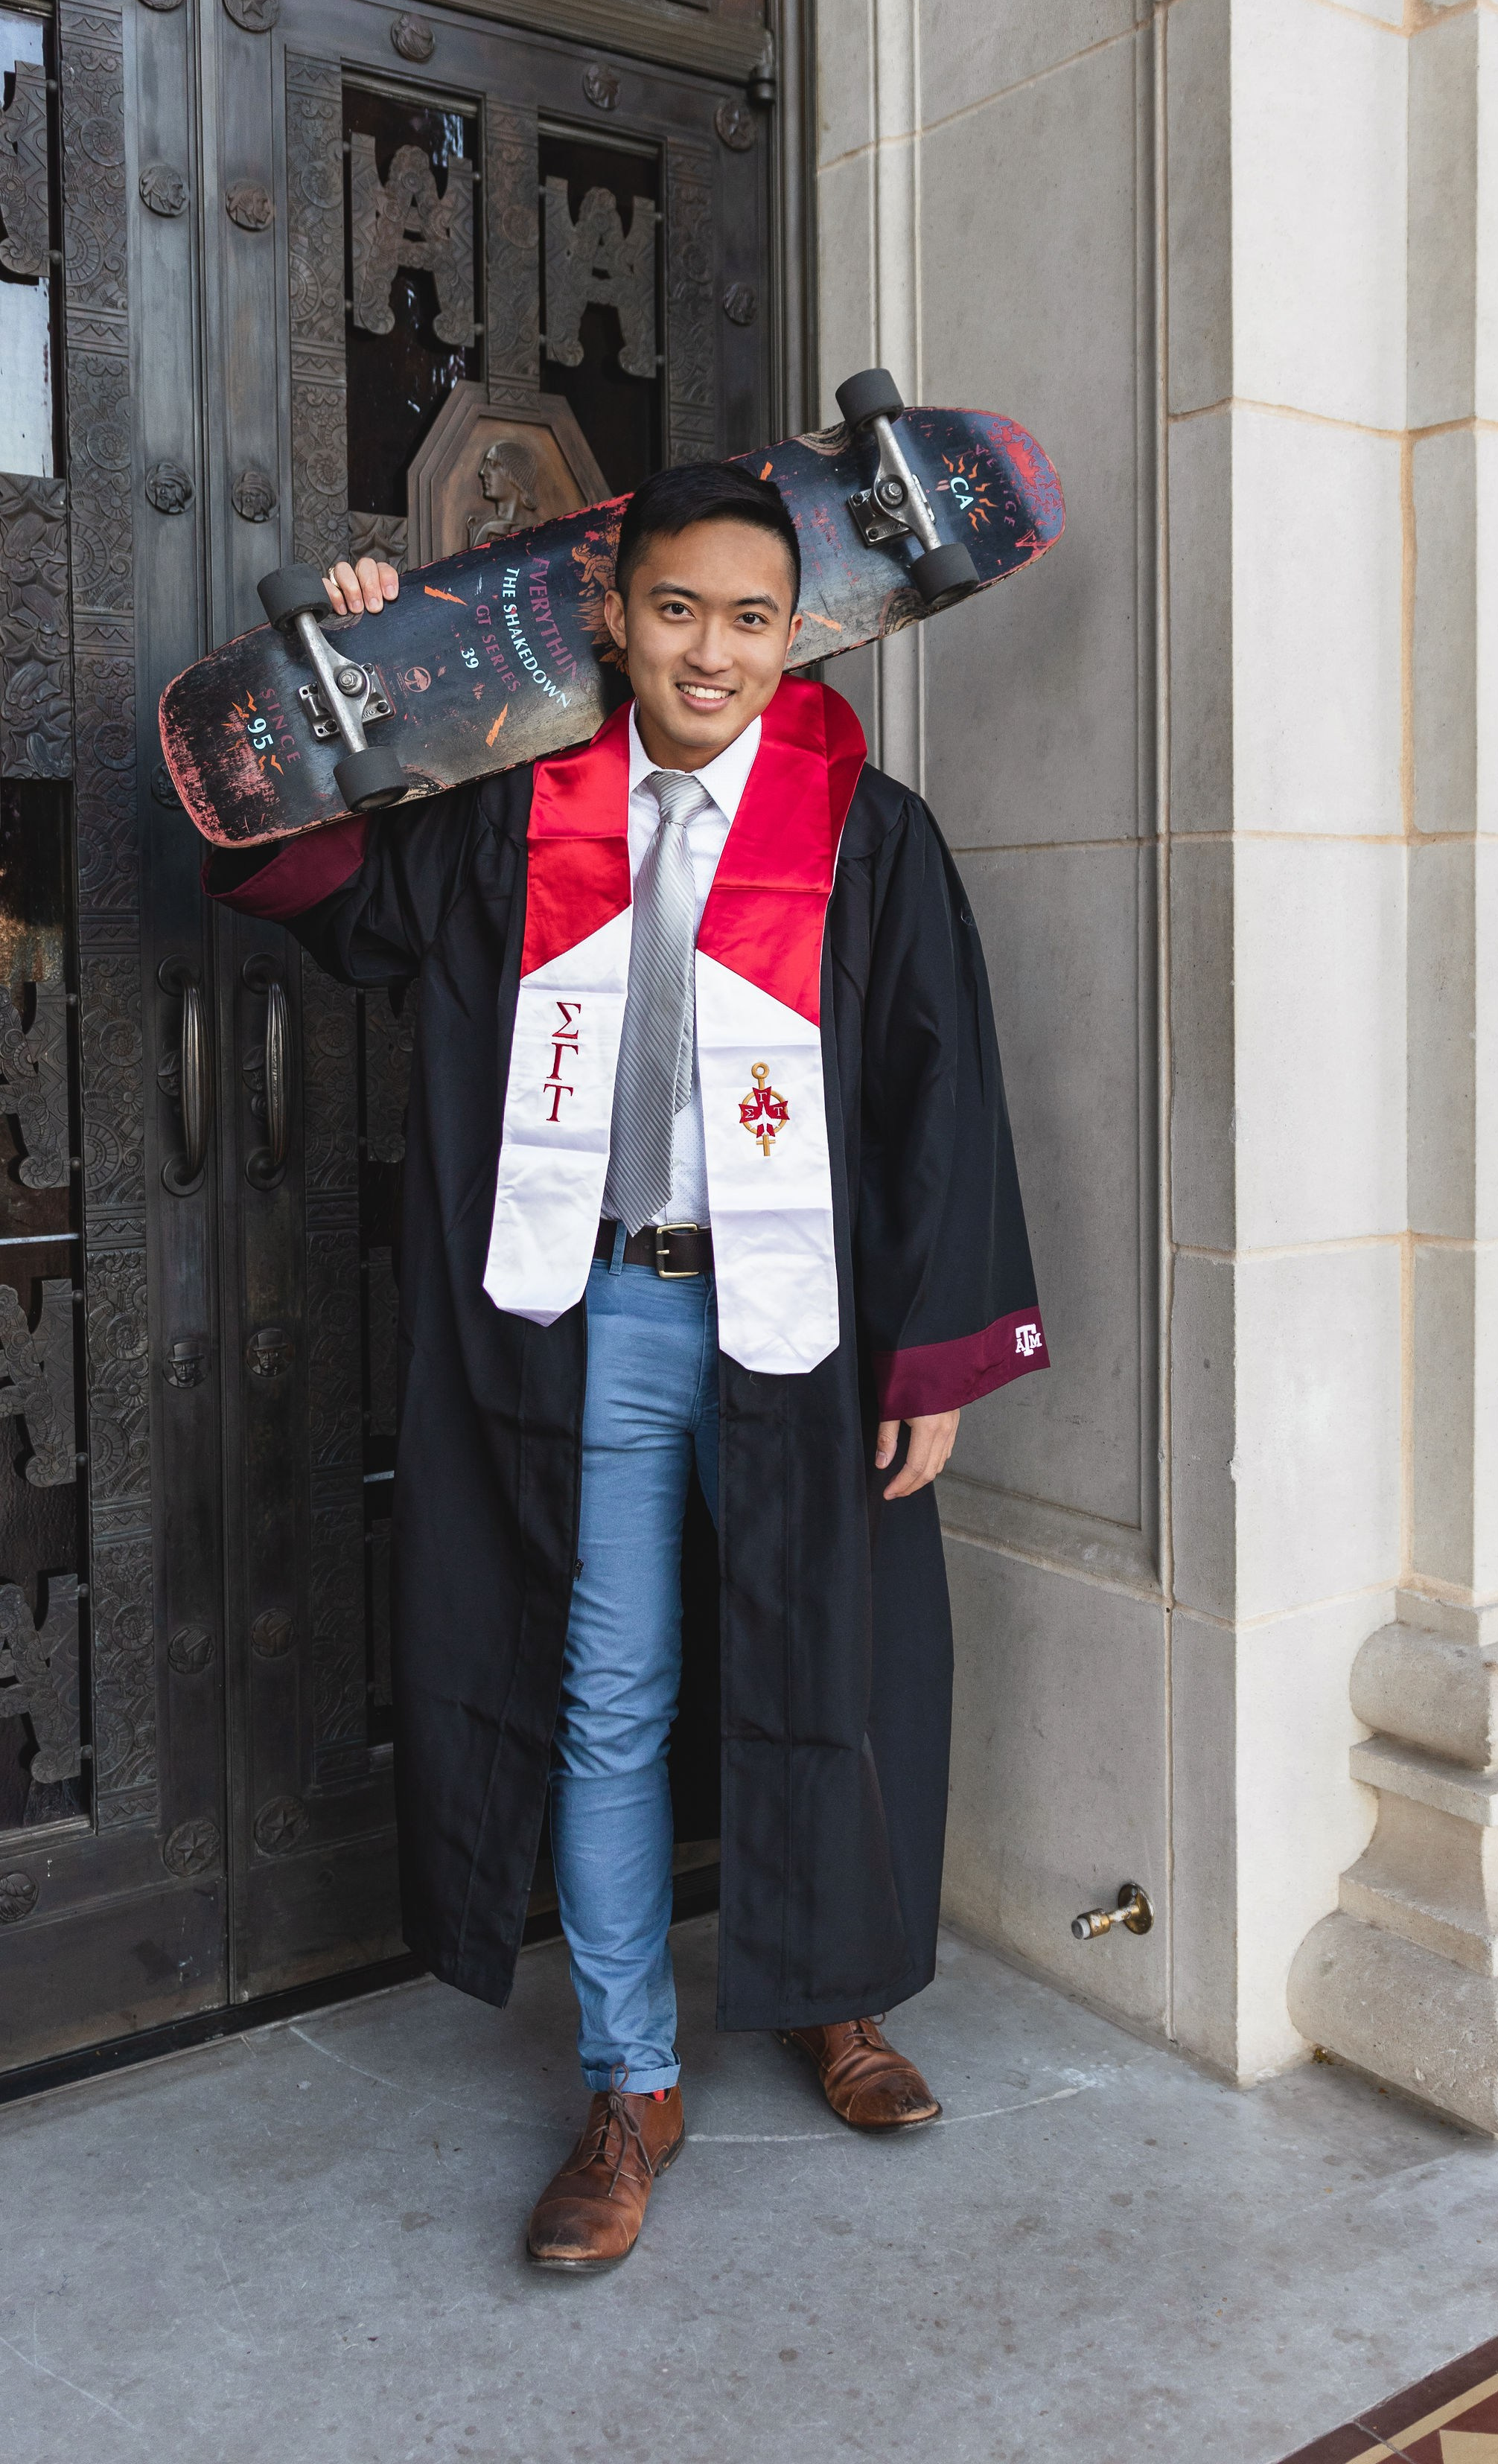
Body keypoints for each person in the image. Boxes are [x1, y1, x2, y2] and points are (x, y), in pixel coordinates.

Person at [202, 464, 1048, 2273]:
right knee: (607, 1697)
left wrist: (940, 1355)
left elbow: (942, 1105)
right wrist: (352, 682)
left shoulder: (868, 832)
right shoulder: (512, 817)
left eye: (753, 617)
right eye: (677, 610)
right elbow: (297, 877)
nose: (714, 652)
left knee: (827, 1662)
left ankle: (832, 2000)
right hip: (589, 1327)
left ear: (795, 627)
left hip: (800, 1336)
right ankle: (628, 2076)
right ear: (616, 617)